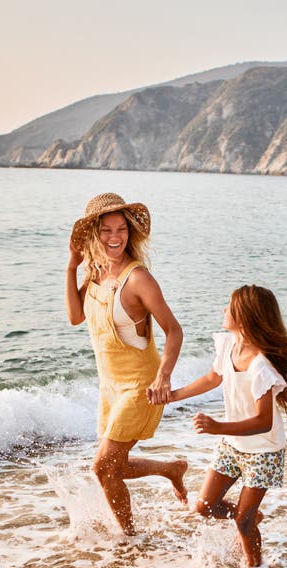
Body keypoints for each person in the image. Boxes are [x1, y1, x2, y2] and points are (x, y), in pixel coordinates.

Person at [168, 285, 287, 568]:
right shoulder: (228, 346)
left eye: (230, 306)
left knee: (243, 523)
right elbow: (212, 378)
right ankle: (251, 516)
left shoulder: (261, 366)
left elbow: (263, 421)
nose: (224, 309)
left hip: (263, 451)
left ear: (246, 316)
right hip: (234, 444)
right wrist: (173, 396)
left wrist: (218, 427)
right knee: (204, 506)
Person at [64, 192, 187, 535]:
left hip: (141, 386)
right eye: (106, 230)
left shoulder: (137, 279)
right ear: (94, 234)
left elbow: (174, 330)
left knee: (103, 468)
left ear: (130, 232)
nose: (114, 237)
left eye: (121, 229)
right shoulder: (95, 273)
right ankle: (170, 469)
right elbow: (75, 316)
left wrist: (164, 377)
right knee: (113, 467)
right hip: (110, 387)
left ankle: (129, 539)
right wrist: (72, 266)